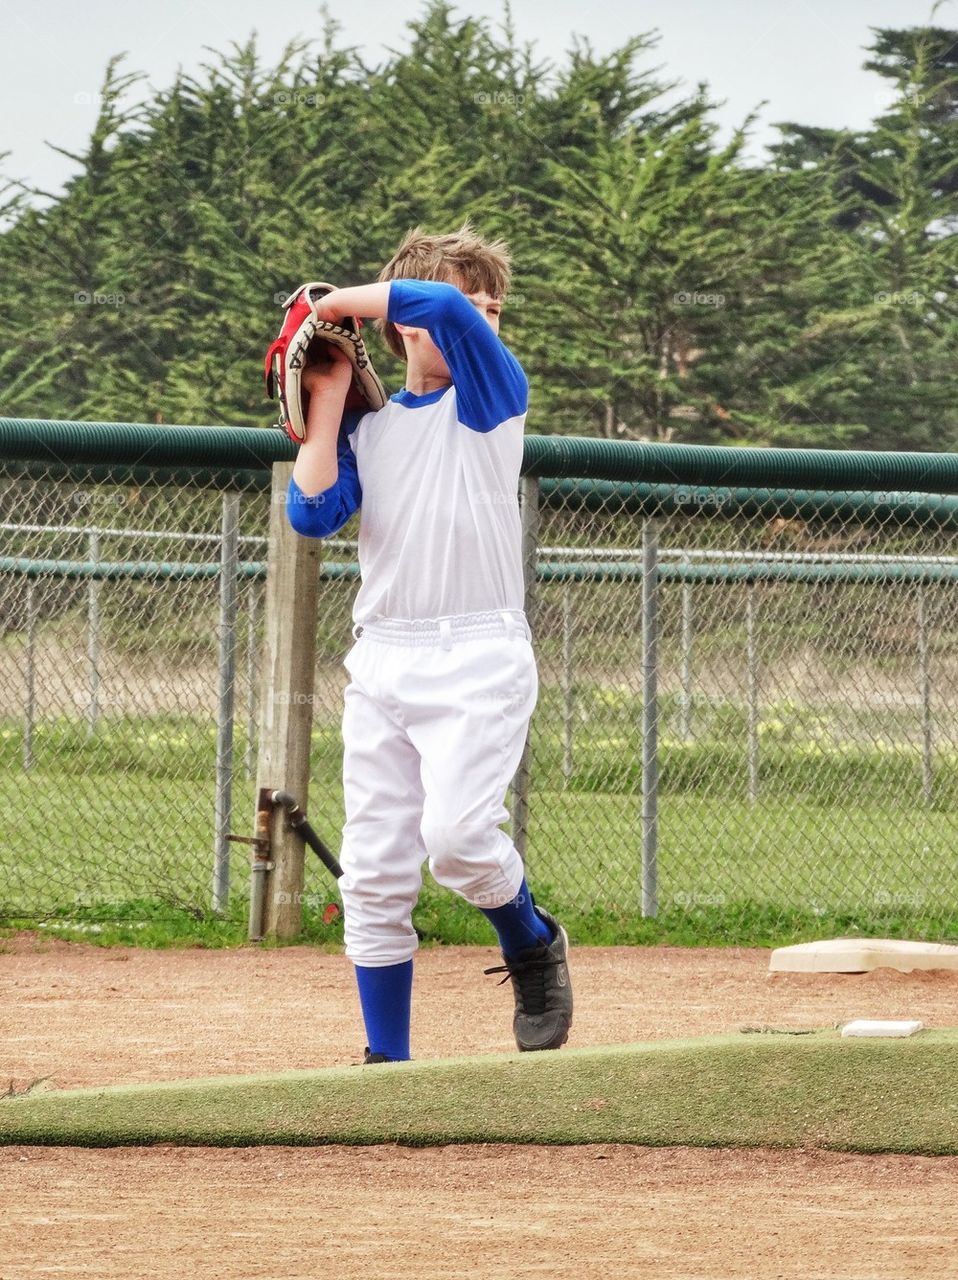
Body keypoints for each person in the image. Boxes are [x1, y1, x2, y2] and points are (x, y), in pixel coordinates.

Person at [285, 221, 572, 1062]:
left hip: (478, 652)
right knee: (371, 872)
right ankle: (388, 1061)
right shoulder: (372, 428)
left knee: (456, 842)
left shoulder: (492, 397)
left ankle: (528, 939)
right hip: (383, 655)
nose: (482, 318)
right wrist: (331, 393)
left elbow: (442, 299)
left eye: (494, 308)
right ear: (402, 327)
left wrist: (325, 304)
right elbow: (311, 513)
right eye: (473, 305)